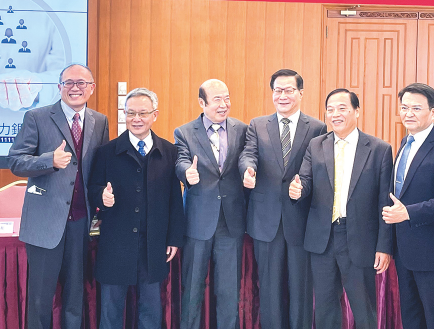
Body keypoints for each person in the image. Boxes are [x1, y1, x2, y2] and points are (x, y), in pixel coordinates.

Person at [7, 64, 109, 329]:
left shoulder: (100, 121)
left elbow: (100, 169)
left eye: (81, 83)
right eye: (69, 82)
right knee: (40, 300)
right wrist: (48, 161)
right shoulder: (37, 117)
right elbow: (16, 161)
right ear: (59, 87)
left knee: (75, 297)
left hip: (81, 223)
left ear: (92, 88)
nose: (75, 88)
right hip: (44, 222)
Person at [289, 88, 393, 329]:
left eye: (342, 108)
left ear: (357, 111)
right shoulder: (316, 145)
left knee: (364, 310)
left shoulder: (379, 149)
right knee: (325, 310)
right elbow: (305, 180)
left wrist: (384, 246)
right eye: (330, 109)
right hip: (322, 239)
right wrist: (298, 189)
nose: (335, 114)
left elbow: (384, 202)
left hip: (360, 238)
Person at [88, 88, 184, 329]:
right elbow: (93, 188)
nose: (136, 119)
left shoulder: (169, 151)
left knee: (150, 310)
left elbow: (175, 198)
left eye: (143, 113)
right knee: (111, 311)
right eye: (131, 113)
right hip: (116, 243)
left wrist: (174, 238)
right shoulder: (107, 152)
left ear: (155, 115)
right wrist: (102, 197)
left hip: (153, 243)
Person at [239, 69, 326, 329]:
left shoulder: (317, 127)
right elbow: (248, 154)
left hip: (300, 218)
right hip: (265, 220)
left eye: (289, 90)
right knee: (269, 289)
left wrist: (303, 187)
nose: (283, 95)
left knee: (301, 289)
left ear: (301, 93)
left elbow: (318, 169)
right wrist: (247, 169)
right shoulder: (257, 125)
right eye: (278, 90)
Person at [382, 83, 434, 329]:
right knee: (412, 319)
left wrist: (408, 213)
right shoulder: (405, 143)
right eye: (404, 107)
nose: (408, 113)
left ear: (433, 112)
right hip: (405, 251)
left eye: (416, 108)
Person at [174, 79, 248, 329]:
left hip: (231, 221)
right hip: (198, 220)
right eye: (217, 99)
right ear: (202, 102)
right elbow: (181, 160)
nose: (224, 104)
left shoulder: (242, 129)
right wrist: (187, 173)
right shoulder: (184, 132)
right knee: (192, 289)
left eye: (227, 98)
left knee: (229, 292)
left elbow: (247, 158)